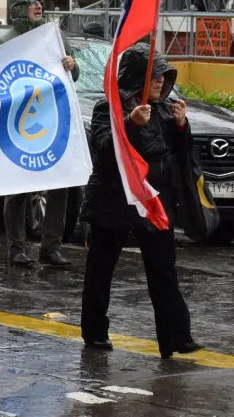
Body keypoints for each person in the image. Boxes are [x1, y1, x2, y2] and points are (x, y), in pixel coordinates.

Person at [80, 43, 202, 358]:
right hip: (114, 202)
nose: (162, 81)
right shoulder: (108, 108)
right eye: (155, 75)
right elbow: (107, 152)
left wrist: (180, 126)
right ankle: (95, 332)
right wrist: (131, 125)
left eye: (165, 74)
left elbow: (177, 154)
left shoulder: (164, 107)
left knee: (164, 270)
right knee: (100, 271)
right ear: (136, 78)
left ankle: (176, 336)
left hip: (154, 203)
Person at [0, 0, 79, 268]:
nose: (38, 5)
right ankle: (16, 249)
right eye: (31, 3)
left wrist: (72, 64)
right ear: (19, 8)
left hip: (52, 119)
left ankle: (50, 248)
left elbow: (74, 73)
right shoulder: (6, 42)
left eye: (39, 1)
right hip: (18, 123)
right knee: (17, 188)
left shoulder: (54, 35)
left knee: (59, 185)